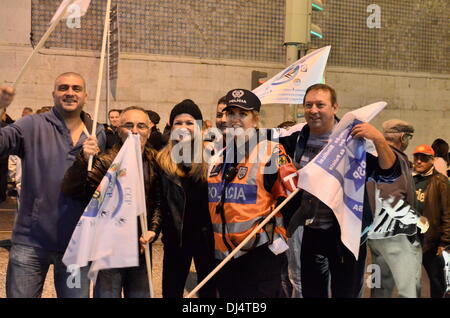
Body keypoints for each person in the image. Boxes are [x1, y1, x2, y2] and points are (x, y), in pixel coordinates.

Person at [279, 83, 400, 298]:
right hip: (311, 231)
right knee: (312, 293)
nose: (313, 110)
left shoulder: (356, 137)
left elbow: (389, 173)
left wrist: (379, 139)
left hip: (348, 232)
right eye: (308, 105)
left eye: (320, 105)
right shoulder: (296, 137)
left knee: (346, 293)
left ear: (335, 107)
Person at [0, 73, 106, 298]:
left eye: (76, 88)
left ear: (86, 96)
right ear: (54, 94)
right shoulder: (31, 125)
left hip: (77, 246)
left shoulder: (97, 132)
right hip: (30, 242)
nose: (70, 92)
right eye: (63, 88)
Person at [61, 106, 161, 298]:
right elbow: (75, 190)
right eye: (128, 125)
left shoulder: (155, 161)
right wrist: (83, 159)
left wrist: (153, 230)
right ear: (118, 129)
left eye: (141, 126)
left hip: (141, 248)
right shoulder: (106, 161)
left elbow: (158, 201)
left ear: (149, 130)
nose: (134, 131)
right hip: (109, 249)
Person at [207, 89, 298, 298]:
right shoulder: (217, 156)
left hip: (259, 255)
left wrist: (274, 237)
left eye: (243, 114)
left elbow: (292, 200)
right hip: (225, 258)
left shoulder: (271, 152)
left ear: (255, 119)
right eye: (230, 114)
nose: (235, 120)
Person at [156, 99, 216, 298]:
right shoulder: (162, 160)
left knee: (209, 291)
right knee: (171, 291)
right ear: (171, 126)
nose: (183, 128)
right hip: (176, 238)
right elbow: (157, 200)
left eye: (189, 123)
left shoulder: (212, 158)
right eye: (178, 123)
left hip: (207, 238)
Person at [367, 119, 423, 298]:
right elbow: (391, 199)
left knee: (381, 287)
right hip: (396, 234)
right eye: (409, 137)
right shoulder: (395, 159)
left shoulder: (378, 156)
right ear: (403, 137)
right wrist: (416, 220)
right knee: (410, 289)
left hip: (376, 234)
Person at [413, 144, 450, 298]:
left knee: (437, 282)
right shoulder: (411, 180)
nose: (419, 161)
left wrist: (445, 242)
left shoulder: (441, 182)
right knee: (410, 282)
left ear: (432, 160)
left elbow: (448, 214)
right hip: (412, 240)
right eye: (417, 157)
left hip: (432, 242)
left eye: (424, 158)